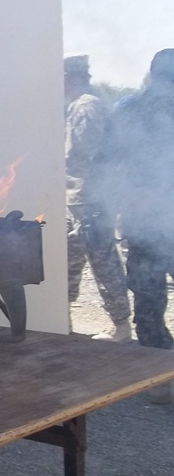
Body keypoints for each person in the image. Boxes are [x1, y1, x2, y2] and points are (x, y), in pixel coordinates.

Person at [102, 49, 174, 361]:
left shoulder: (129, 110)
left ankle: (158, 369)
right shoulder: (131, 110)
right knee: (147, 300)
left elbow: (105, 162)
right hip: (152, 219)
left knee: (148, 302)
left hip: (143, 221)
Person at [63, 54, 132, 341]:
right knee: (68, 259)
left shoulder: (86, 106)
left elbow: (82, 155)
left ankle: (122, 327)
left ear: (70, 77)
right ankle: (61, 319)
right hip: (81, 198)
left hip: (89, 199)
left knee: (102, 259)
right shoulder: (87, 103)